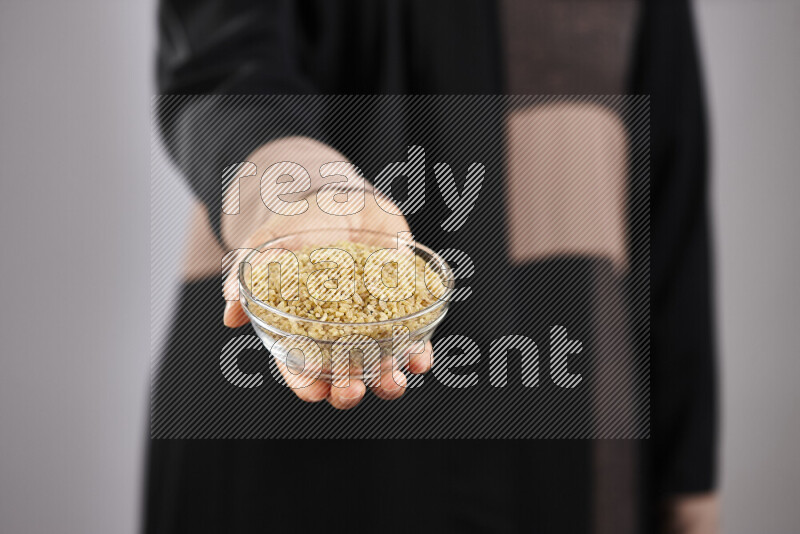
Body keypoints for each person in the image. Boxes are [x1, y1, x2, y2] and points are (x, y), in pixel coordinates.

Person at [148, 1, 717, 532]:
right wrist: (300, 187)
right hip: (280, 404)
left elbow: (668, 194)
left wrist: (687, 478)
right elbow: (222, 63)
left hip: (567, 417)